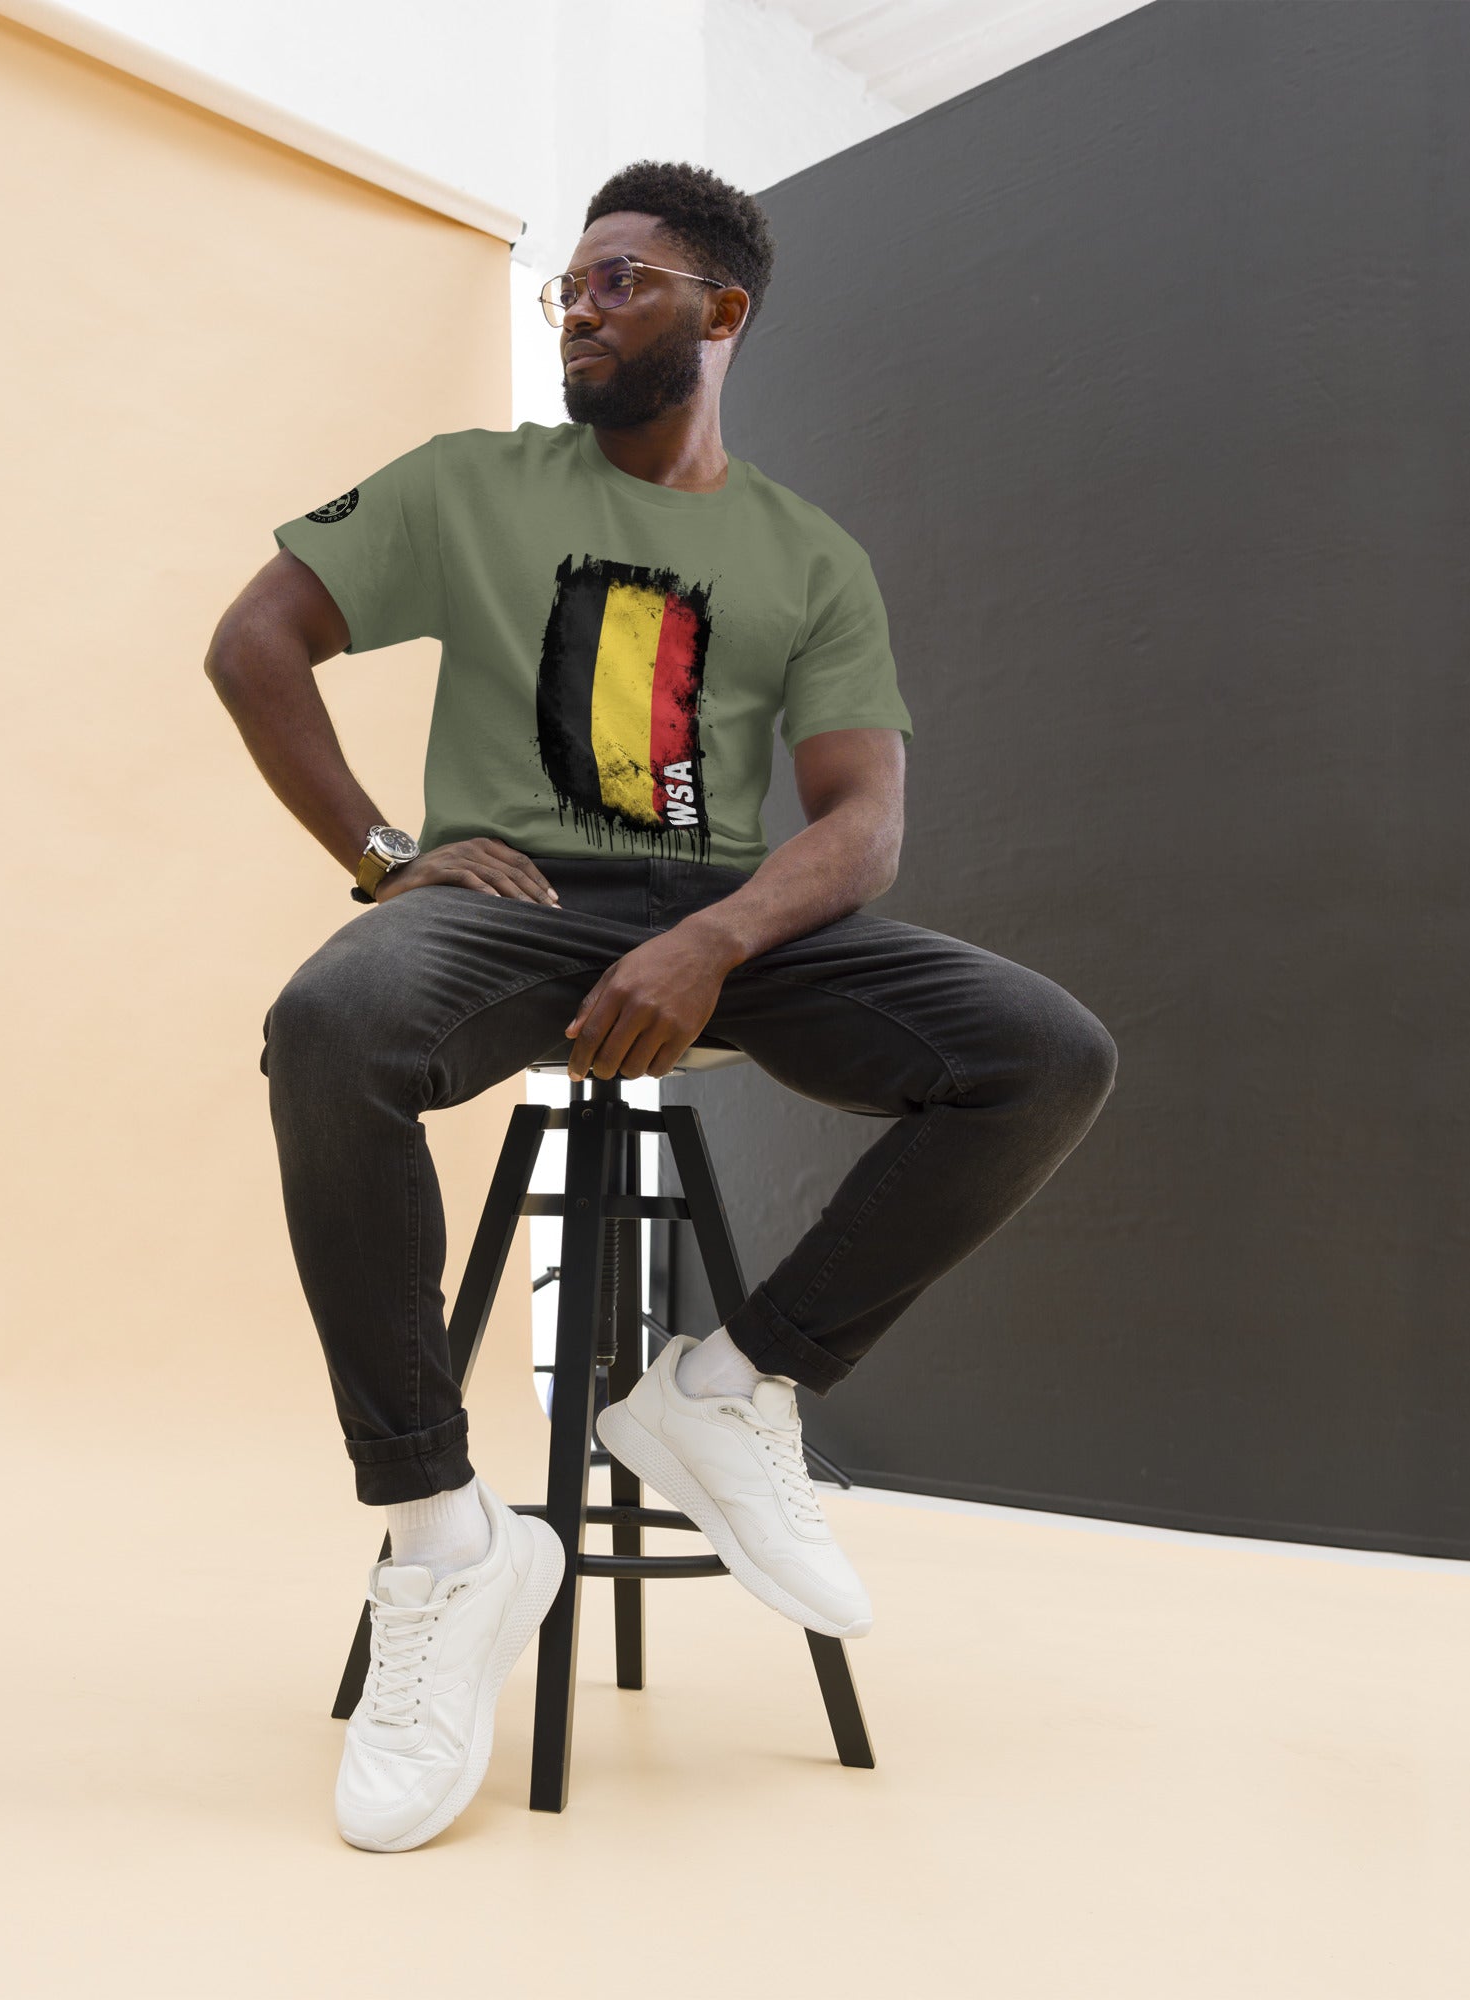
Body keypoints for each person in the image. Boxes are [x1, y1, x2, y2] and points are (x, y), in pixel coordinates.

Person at [205, 160, 1118, 1852]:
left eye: (620, 281)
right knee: (329, 1029)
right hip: (516, 912)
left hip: (730, 920)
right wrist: (390, 852)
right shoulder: (468, 485)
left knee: (1043, 1053)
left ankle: (725, 1388)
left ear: (721, 311)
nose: (580, 305)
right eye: (568, 284)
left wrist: (714, 942)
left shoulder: (805, 555)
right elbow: (255, 639)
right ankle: (444, 1543)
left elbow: (863, 823)